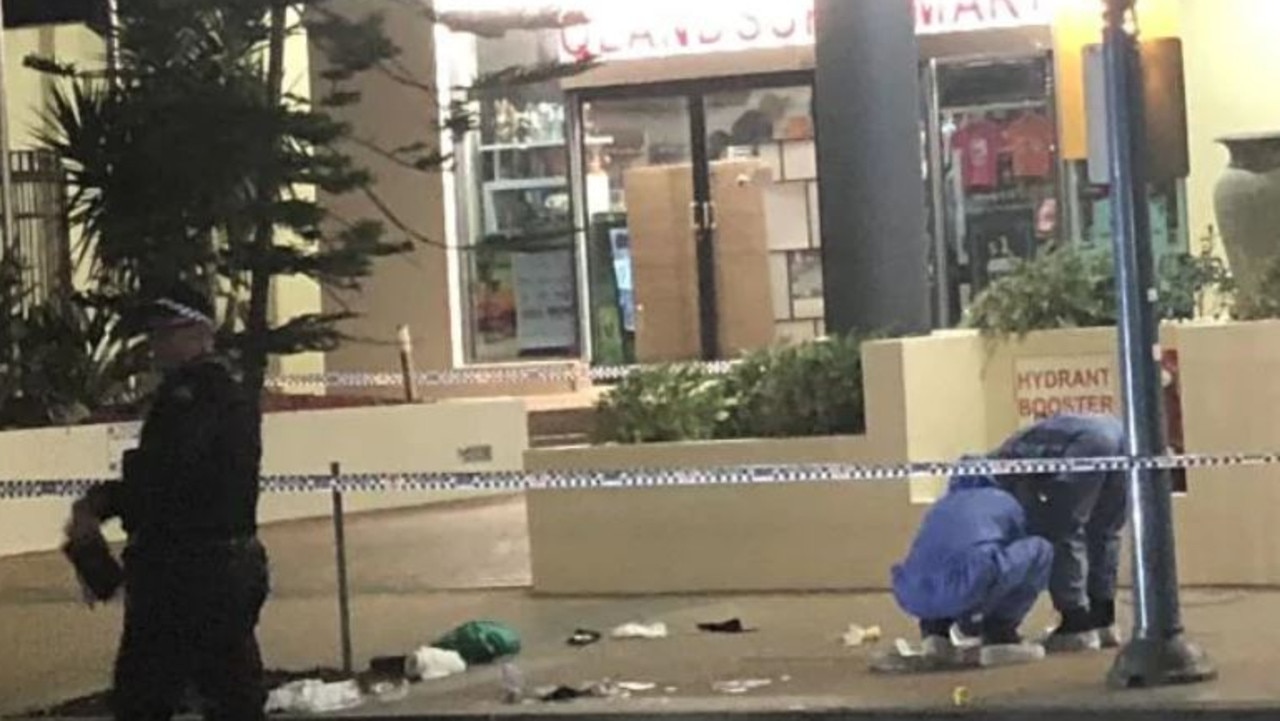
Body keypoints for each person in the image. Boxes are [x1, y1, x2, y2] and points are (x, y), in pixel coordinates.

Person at [64, 283, 269, 721]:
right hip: (211, 571)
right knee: (228, 690)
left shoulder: (197, 396)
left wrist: (95, 507)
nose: (155, 344)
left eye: (166, 332)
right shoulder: (208, 393)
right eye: (153, 333)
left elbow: (166, 475)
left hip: (191, 573)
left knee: (148, 695)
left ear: (199, 333)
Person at [883, 467, 1053, 670]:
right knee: (1040, 549)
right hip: (967, 585)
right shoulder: (1005, 501)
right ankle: (1000, 635)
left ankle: (936, 635)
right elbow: (1016, 551)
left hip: (912, 593)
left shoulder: (940, 505)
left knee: (936, 564)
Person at [993, 413, 1128, 653]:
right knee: (1105, 532)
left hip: (1089, 444)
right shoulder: (1032, 437)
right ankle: (1103, 620)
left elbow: (1027, 505)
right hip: (1123, 437)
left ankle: (1075, 623)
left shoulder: (1001, 462)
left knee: (1062, 528)